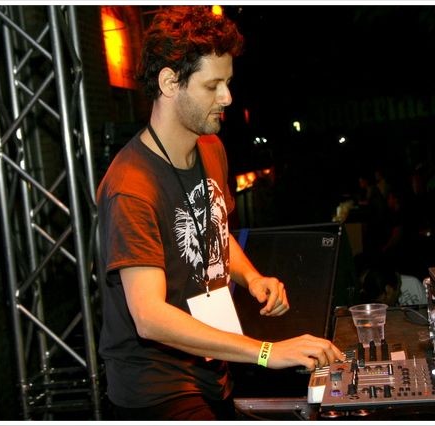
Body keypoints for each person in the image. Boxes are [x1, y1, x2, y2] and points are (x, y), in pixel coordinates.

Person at [96, 6, 343, 420]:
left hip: (212, 371)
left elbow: (215, 231)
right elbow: (149, 317)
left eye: (227, 83)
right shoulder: (130, 188)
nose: (227, 97)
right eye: (212, 85)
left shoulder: (211, 148)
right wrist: (265, 352)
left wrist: (252, 278)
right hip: (155, 389)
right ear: (169, 82)